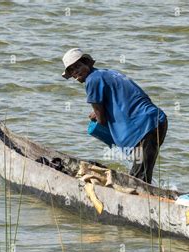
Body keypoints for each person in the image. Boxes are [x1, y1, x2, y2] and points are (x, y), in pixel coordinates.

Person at [61, 48, 168, 184]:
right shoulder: (106, 73)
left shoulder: (91, 81)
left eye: (77, 66)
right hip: (156, 121)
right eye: (71, 70)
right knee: (142, 175)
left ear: (87, 63)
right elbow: (122, 99)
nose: (75, 72)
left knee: (137, 181)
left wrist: (99, 119)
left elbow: (102, 120)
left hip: (144, 127)